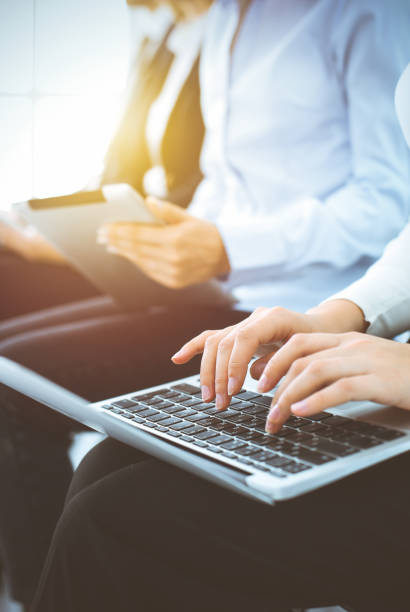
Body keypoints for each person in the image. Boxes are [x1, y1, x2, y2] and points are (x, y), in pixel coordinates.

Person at [2, 0, 410, 607]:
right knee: (105, 467)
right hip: (269, 306)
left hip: (276, 291)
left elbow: (387, 199)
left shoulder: (367, 13)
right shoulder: (225, 22)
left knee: (117, 518)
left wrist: (228, 245)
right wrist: (341, 313)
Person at [0, 1, 208, 606]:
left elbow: (203, 207)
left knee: (14, 377)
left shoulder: (243, 33)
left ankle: (42, 585)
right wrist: (42, 228)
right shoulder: (162, 40)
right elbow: (122, 178)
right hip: (145, 254)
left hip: (199, 275)